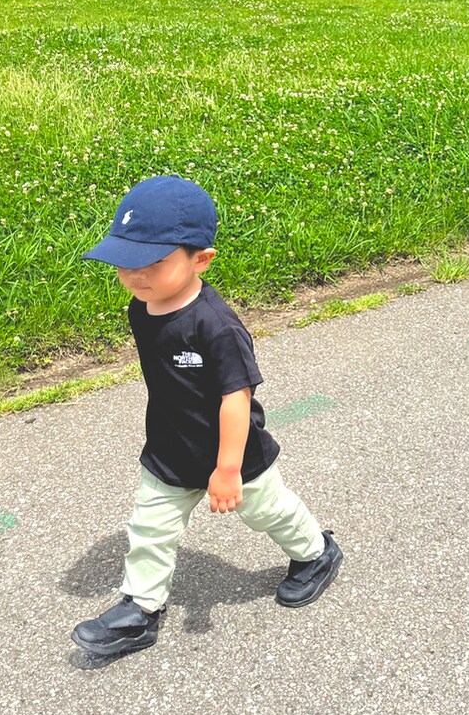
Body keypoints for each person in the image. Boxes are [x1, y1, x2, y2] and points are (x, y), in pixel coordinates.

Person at [71, 175, 342, 658]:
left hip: (234, 454)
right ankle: (140, 609)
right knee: (150, 529)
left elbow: (235, 399)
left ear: (201, 259)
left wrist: (228, 469)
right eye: (124, 263)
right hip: (170, 451)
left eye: (152, 263)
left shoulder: (216, 326)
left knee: (269, 512)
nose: (136, 276)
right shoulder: (142, 306)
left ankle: (317, 553)